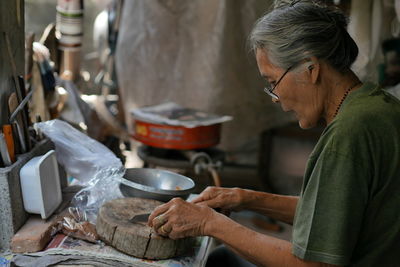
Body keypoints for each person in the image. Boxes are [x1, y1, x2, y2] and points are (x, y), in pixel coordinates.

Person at [148, 1, 400, 266]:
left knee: (220, 260)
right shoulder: (377, 107)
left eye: (273, 82)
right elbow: (330, 214)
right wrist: (244, 198)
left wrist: (210, 223)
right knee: (224, 257)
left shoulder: (348, 135)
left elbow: (314, 265)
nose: (275, 98)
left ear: (311, 69)